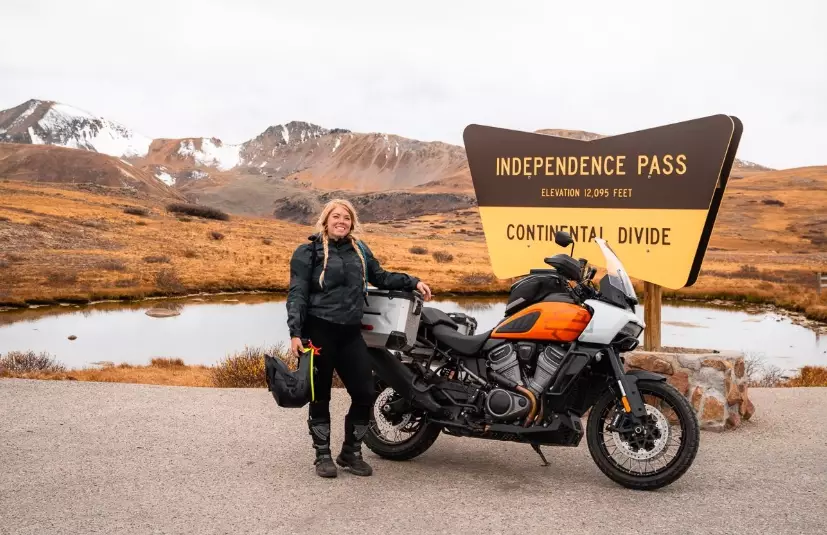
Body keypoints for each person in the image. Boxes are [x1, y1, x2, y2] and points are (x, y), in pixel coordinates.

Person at [285, 198, 432, 478]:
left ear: (352, 223)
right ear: (326, 220)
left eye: (347, 218)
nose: (341, 221)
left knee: (365, 392)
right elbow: (298, 294)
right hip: (319, 332)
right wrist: (295, 332)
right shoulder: (308, 252)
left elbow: (380, 277)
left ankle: (350, 452)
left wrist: (412, 281)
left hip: (350, 333)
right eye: (336, 216)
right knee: (320, 396)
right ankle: (322, 456)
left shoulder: (360, 250)